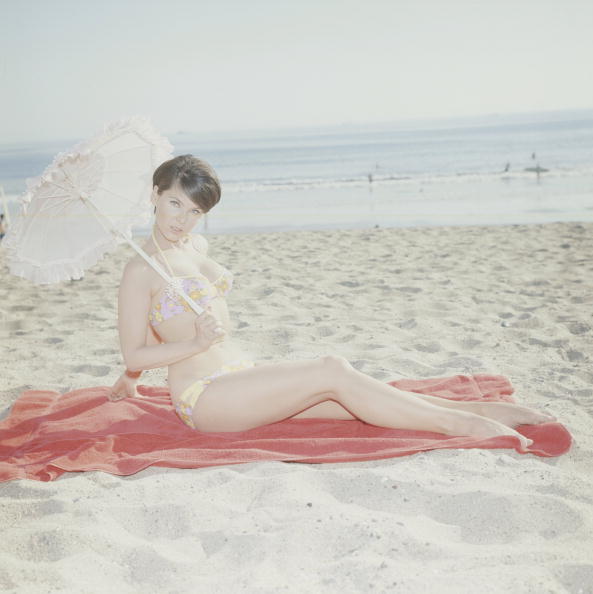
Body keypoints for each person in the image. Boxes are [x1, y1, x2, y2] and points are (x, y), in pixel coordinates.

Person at [110, 155, 553, 446]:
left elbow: (154, 328)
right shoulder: (138, 270)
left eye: (194, 212)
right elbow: (136, 350)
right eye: (174, 204)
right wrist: (192, 345)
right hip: (204, 398)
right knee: (333, 369)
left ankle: (471, 409)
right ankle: (462, 426)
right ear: (154, 195)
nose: (182, 220)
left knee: (346, 400)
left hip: (239, 375)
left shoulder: (193, 249)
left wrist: (128, 381)